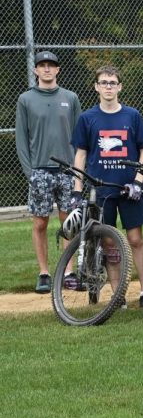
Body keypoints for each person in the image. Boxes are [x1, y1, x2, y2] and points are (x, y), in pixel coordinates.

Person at [70, 65, 143, 307]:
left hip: (129, 189)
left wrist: (138, 181)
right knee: (109, 241)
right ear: (96, 86)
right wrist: (77, 188)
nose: (108, 86)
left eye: (112, 82)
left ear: (120, 87)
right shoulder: (87, 118)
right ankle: (119, 295)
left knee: (135, 239)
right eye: (103, 82)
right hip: (101, 189)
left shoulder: (132, 115)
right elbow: (81, 154)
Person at [16, 51, 81, 293]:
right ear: (35, 71)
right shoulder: (26, 99)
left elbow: (79, 137)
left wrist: (77, 171)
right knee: (40, 223)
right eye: (42, 65)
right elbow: (21, 139)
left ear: (57, 70)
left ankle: (68, 271)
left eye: (50, 66)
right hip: (40, 171)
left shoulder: (70, 98)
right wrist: (30, 172)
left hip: (67, 170)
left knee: (69, 222)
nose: (46, 69)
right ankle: (43, 272)